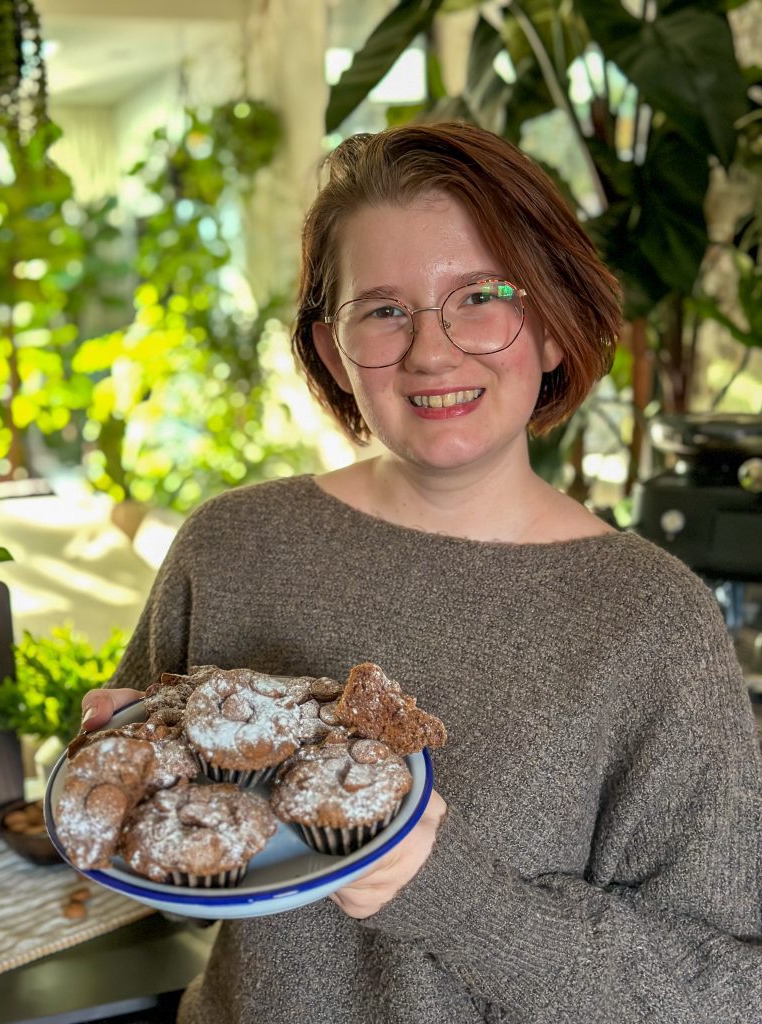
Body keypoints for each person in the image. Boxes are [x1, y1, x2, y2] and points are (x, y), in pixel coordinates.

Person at [80, 121, 762, 1024]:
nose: (433, 351)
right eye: (385, 309)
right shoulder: (233, 546)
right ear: (333, 351)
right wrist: (125, 779)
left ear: (552, 327)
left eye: (480, 296)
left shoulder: (648, 619)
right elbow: (159, 871)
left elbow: (724, 989)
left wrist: (442, 891)